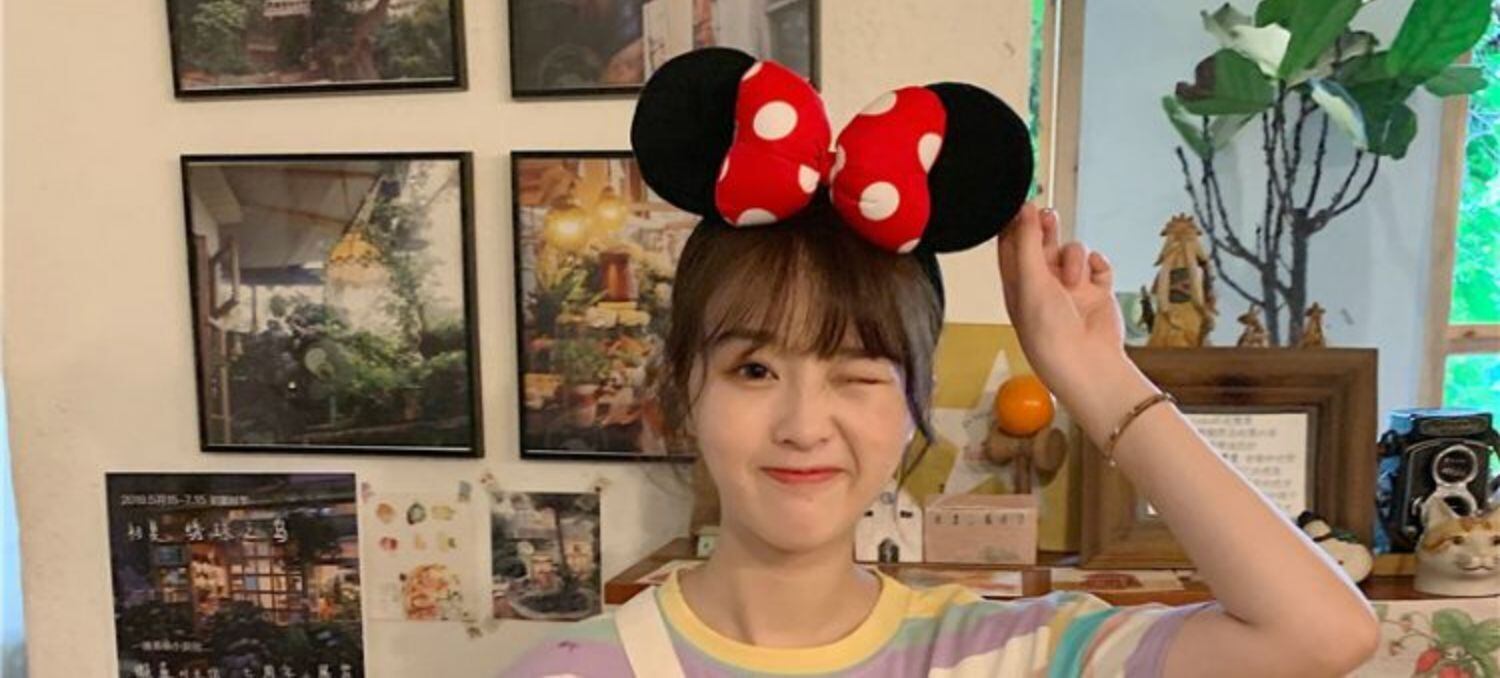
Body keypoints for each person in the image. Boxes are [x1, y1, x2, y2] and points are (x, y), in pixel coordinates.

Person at [504, 48, 1379, 677]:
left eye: (857, 374)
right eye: (754, 370)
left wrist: (1095, 377)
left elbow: (1322, 635)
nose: (805, 426)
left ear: (912, 403)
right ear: (685, 390)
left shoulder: (1012, 654)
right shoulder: (577, 668)